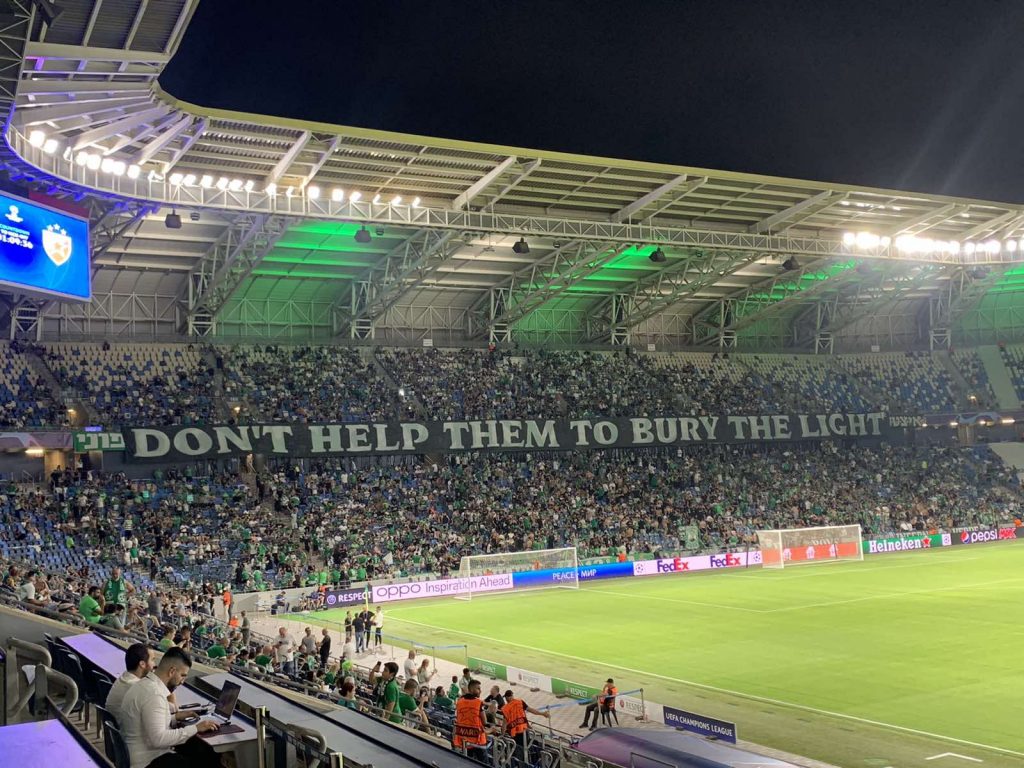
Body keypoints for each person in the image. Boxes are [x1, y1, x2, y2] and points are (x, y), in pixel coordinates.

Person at [118, 647, 220, 767]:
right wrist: (196, 728)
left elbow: (148, 721)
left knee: (196, 749)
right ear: (172, 671)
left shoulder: (144, 684)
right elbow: (158, 739)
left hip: (136, 755)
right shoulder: (155, 694)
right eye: (182, 675)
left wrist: (175, 718)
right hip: (147, 762)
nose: (182, 681)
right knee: (207, 758)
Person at [106, 643, 155, 723]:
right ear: (142, 664)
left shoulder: (124, 677)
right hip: (126, 729)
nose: (154, 664)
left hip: (117, 727)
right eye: (152, 660)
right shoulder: (139, 687)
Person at [501, 689, 550, 760]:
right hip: (524, 730)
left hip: (515, 733)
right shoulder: (520, 702)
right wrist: (542, 714)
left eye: (506, 698)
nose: (506, 700)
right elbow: (531, 710)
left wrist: (502, 736)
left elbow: (504, 725)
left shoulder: (505, 708)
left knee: (519, 750)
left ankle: (523, 761)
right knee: (526, 748)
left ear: (508, 697)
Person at [453, 679, 494, 758]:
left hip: (463, 740)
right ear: (471, 689)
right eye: (478, 688)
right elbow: (484, 722)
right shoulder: (478, 702)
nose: (480, 691)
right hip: (477, 741)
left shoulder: (459, 701)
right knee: (483, 762)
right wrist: (492, 729)